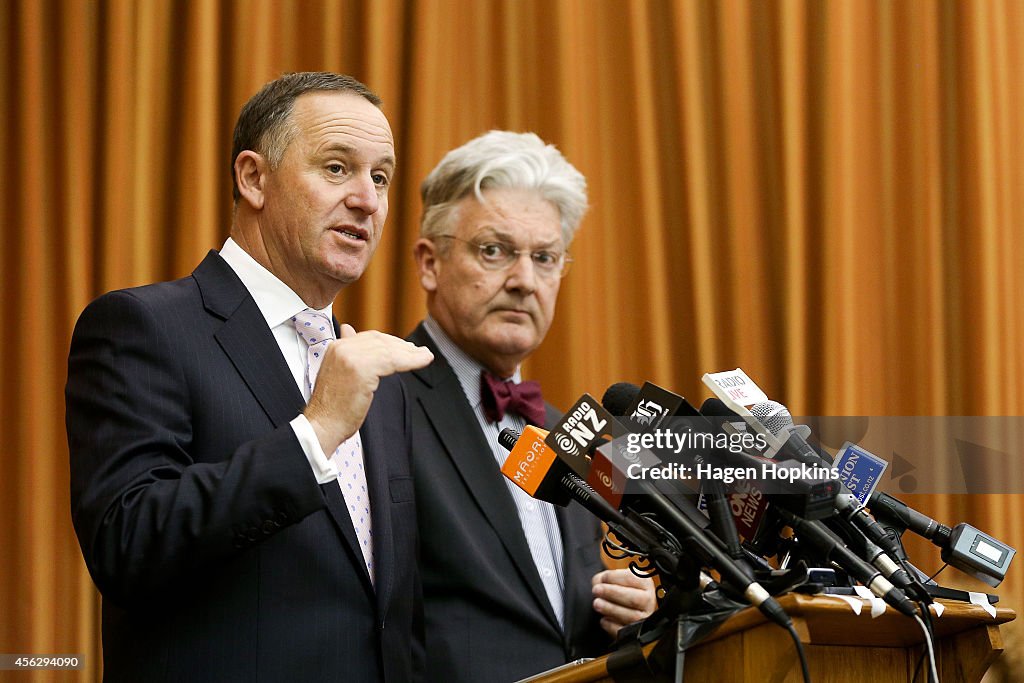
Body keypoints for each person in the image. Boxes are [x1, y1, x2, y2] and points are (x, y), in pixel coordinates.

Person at [66, 72, 433, 682]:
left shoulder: (370, 369)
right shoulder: (143, 327)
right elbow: (126, 543)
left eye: (380, 177)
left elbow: (391, 604)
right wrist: (312, 437)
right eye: (337, 168)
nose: (367, 200)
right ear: (253, 178)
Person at [400, 131, 658, 682]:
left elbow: (553, 624)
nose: (523, 281)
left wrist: (632, 616)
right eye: (494, 251)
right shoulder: (377, 400)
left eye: (544, 258)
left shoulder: (570, 430)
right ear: (430, 262)